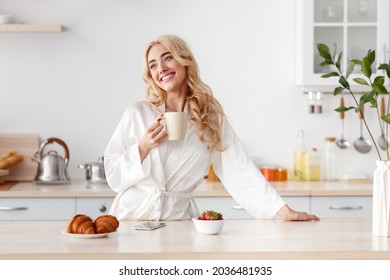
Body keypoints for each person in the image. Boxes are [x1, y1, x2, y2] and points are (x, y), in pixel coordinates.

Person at [104, 34, 319, 222]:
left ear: (183, 60)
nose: (161, 68)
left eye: (167, 57)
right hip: (131, 219)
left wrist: (281, 210)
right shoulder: (138, 113)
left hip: (177, 222)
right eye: (153, 65)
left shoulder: (208, 117)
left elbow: (238, 168)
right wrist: (143, 147)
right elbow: (113, 175)